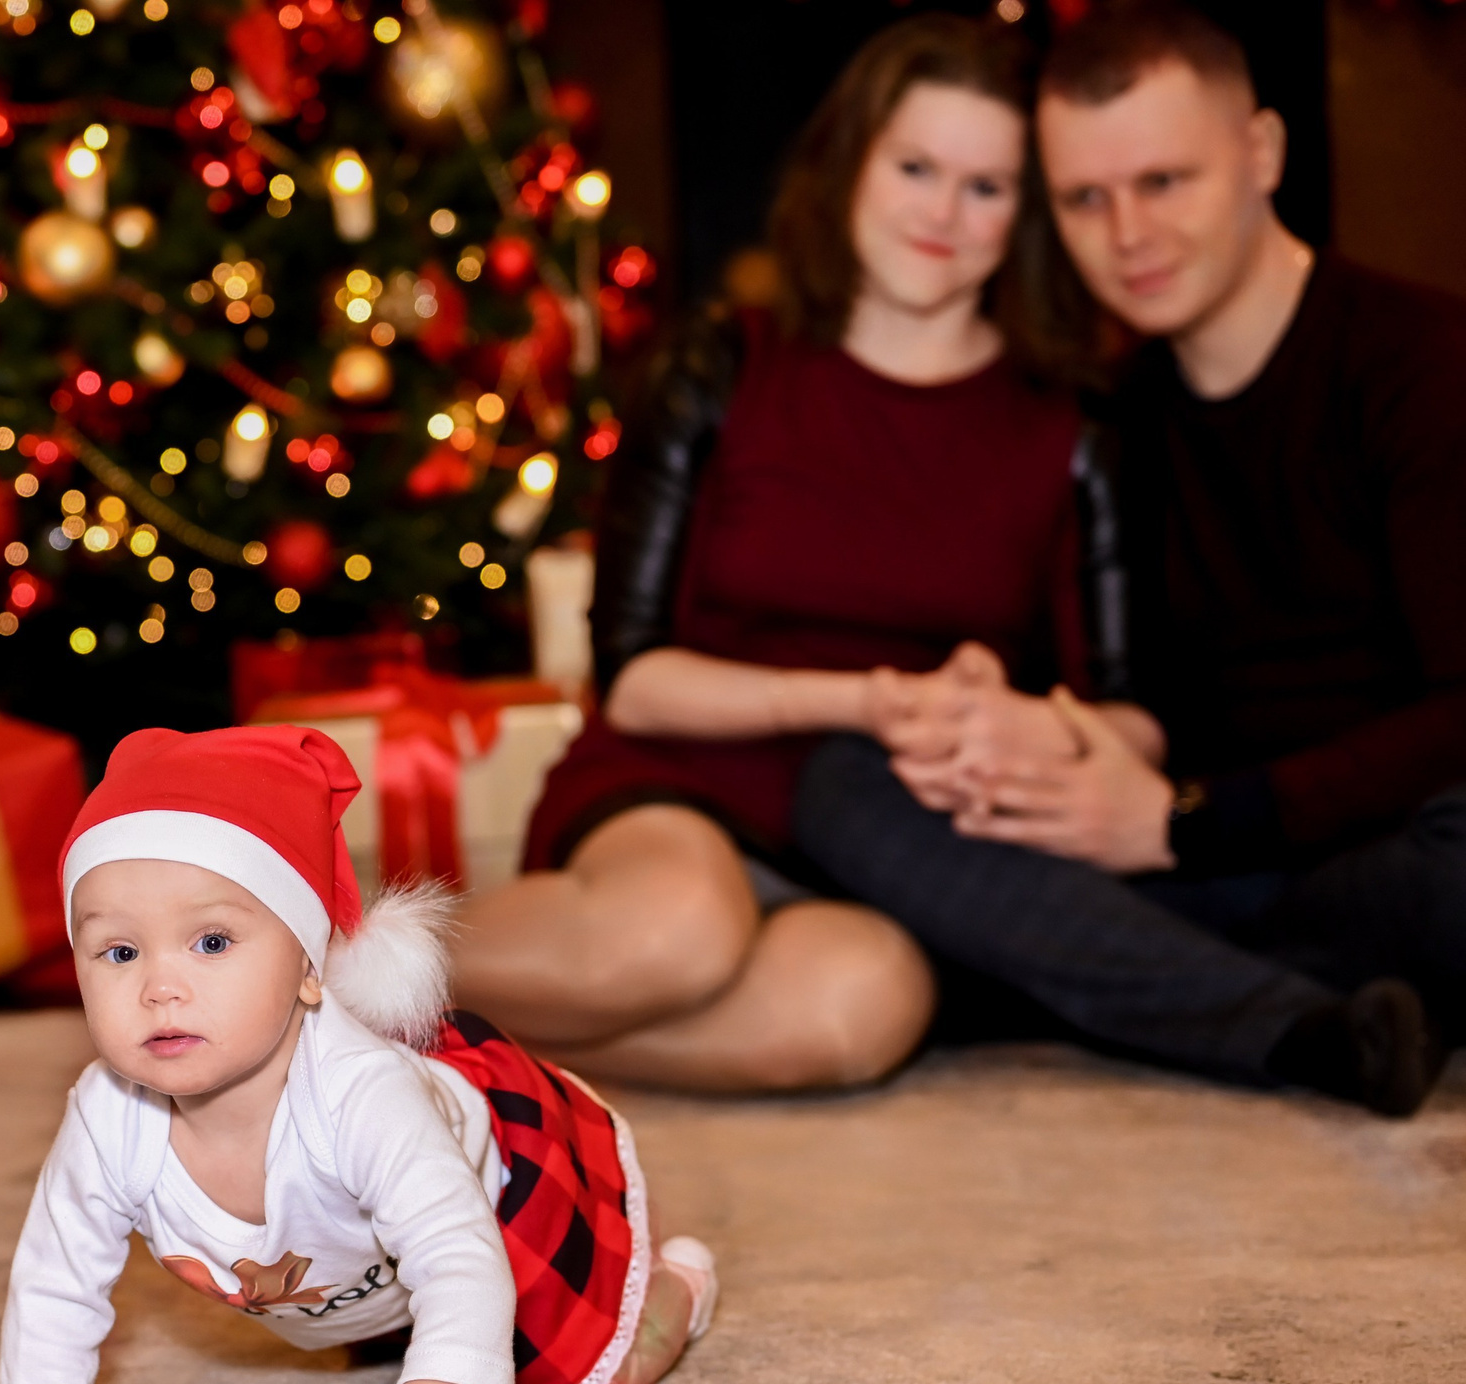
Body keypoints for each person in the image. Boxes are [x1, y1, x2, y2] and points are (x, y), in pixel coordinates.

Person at [793, 1, 1466, 1117]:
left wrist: (1181, 820)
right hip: (1185, 863)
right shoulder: (1106, 413)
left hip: (1363, 845)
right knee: (849, 781)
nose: (1127, 236)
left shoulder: (1421, 366)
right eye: (1083, 200)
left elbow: (1459, 712)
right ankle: (1294, 1022)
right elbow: (1123, 698)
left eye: (1164, 182)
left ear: (1261, 154)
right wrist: (1015, 726)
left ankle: (1103, 982)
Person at [451, 15, 1137, 1094]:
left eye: (986, 186)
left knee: (864, 1004)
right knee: (677, 929)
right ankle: (310, 971)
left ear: (1029, 213)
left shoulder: (1070, 428)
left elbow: (1116, 705)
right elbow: (632, 681)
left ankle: (423, 1052)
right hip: (678, 777)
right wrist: (858, 697)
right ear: (851, 160)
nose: (942, 215)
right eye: (915, 166)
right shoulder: (720, 363)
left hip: (881, 836)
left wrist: (1002, 710)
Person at [0, 727, 717, 1384]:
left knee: (579, 1382)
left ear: (311, 967)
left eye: (211, 942)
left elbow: (458, 1261)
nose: (161, 986)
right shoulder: (105, 1116)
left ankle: (682, 1284)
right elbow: (56, 1283)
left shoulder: (362, 1097)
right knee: (378, 1331)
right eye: (119, 950)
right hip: (354, 1275)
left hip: (501, 1196)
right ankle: (388, 1324)